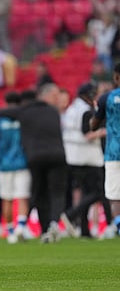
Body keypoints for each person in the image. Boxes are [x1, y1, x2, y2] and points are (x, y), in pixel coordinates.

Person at [0, 85, 68, 243]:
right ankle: (54, 223)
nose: (57, 98)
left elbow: (1, 112)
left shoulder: (25, 111)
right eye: (54, 95)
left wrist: (22, 110)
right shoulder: (53, 111)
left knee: (39, 193)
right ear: (44, 96)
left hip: (35, 158)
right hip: (57, 155)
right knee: (57, 193)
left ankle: (42, 229)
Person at [61, 82, 110, 238]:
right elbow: (86, 133)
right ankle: (70, 214)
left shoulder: (73, 108)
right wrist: (103, 132)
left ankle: (84, 230)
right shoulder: (86, 111)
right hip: (88, 157)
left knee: (86, 193)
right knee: (98, 192)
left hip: (74, 157)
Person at [0, 91, 31, 244]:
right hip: (22, 163)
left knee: (7, 199)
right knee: (22, 197)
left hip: (4, 165)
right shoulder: (24, 118)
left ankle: (10, 231)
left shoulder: (0, 121)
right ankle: (21, 228)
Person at [91, 63, 120, 238]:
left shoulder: (106, 98)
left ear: (116, 77)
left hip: (114, 152)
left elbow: (93, 125)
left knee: (115, 194)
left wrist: (98, 111)